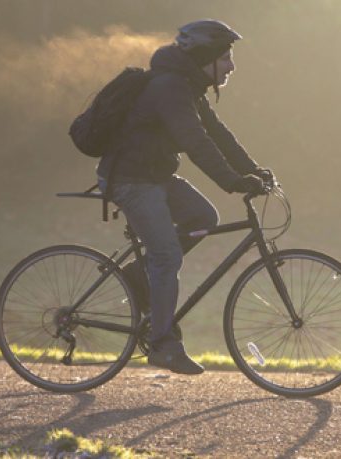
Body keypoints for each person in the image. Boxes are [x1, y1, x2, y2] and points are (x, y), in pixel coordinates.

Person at [97, 19, 274, 374]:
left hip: (155, 176)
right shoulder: (170, 88)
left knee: (203, 218)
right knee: (167, 256)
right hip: (130, 181)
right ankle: (162, 345)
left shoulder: (188, 86)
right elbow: (195, 142)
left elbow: (218, 134)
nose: (231, 66)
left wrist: (253, 170)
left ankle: (138, 277)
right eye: (225, 58)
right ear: (205, 58)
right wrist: (233, 181)